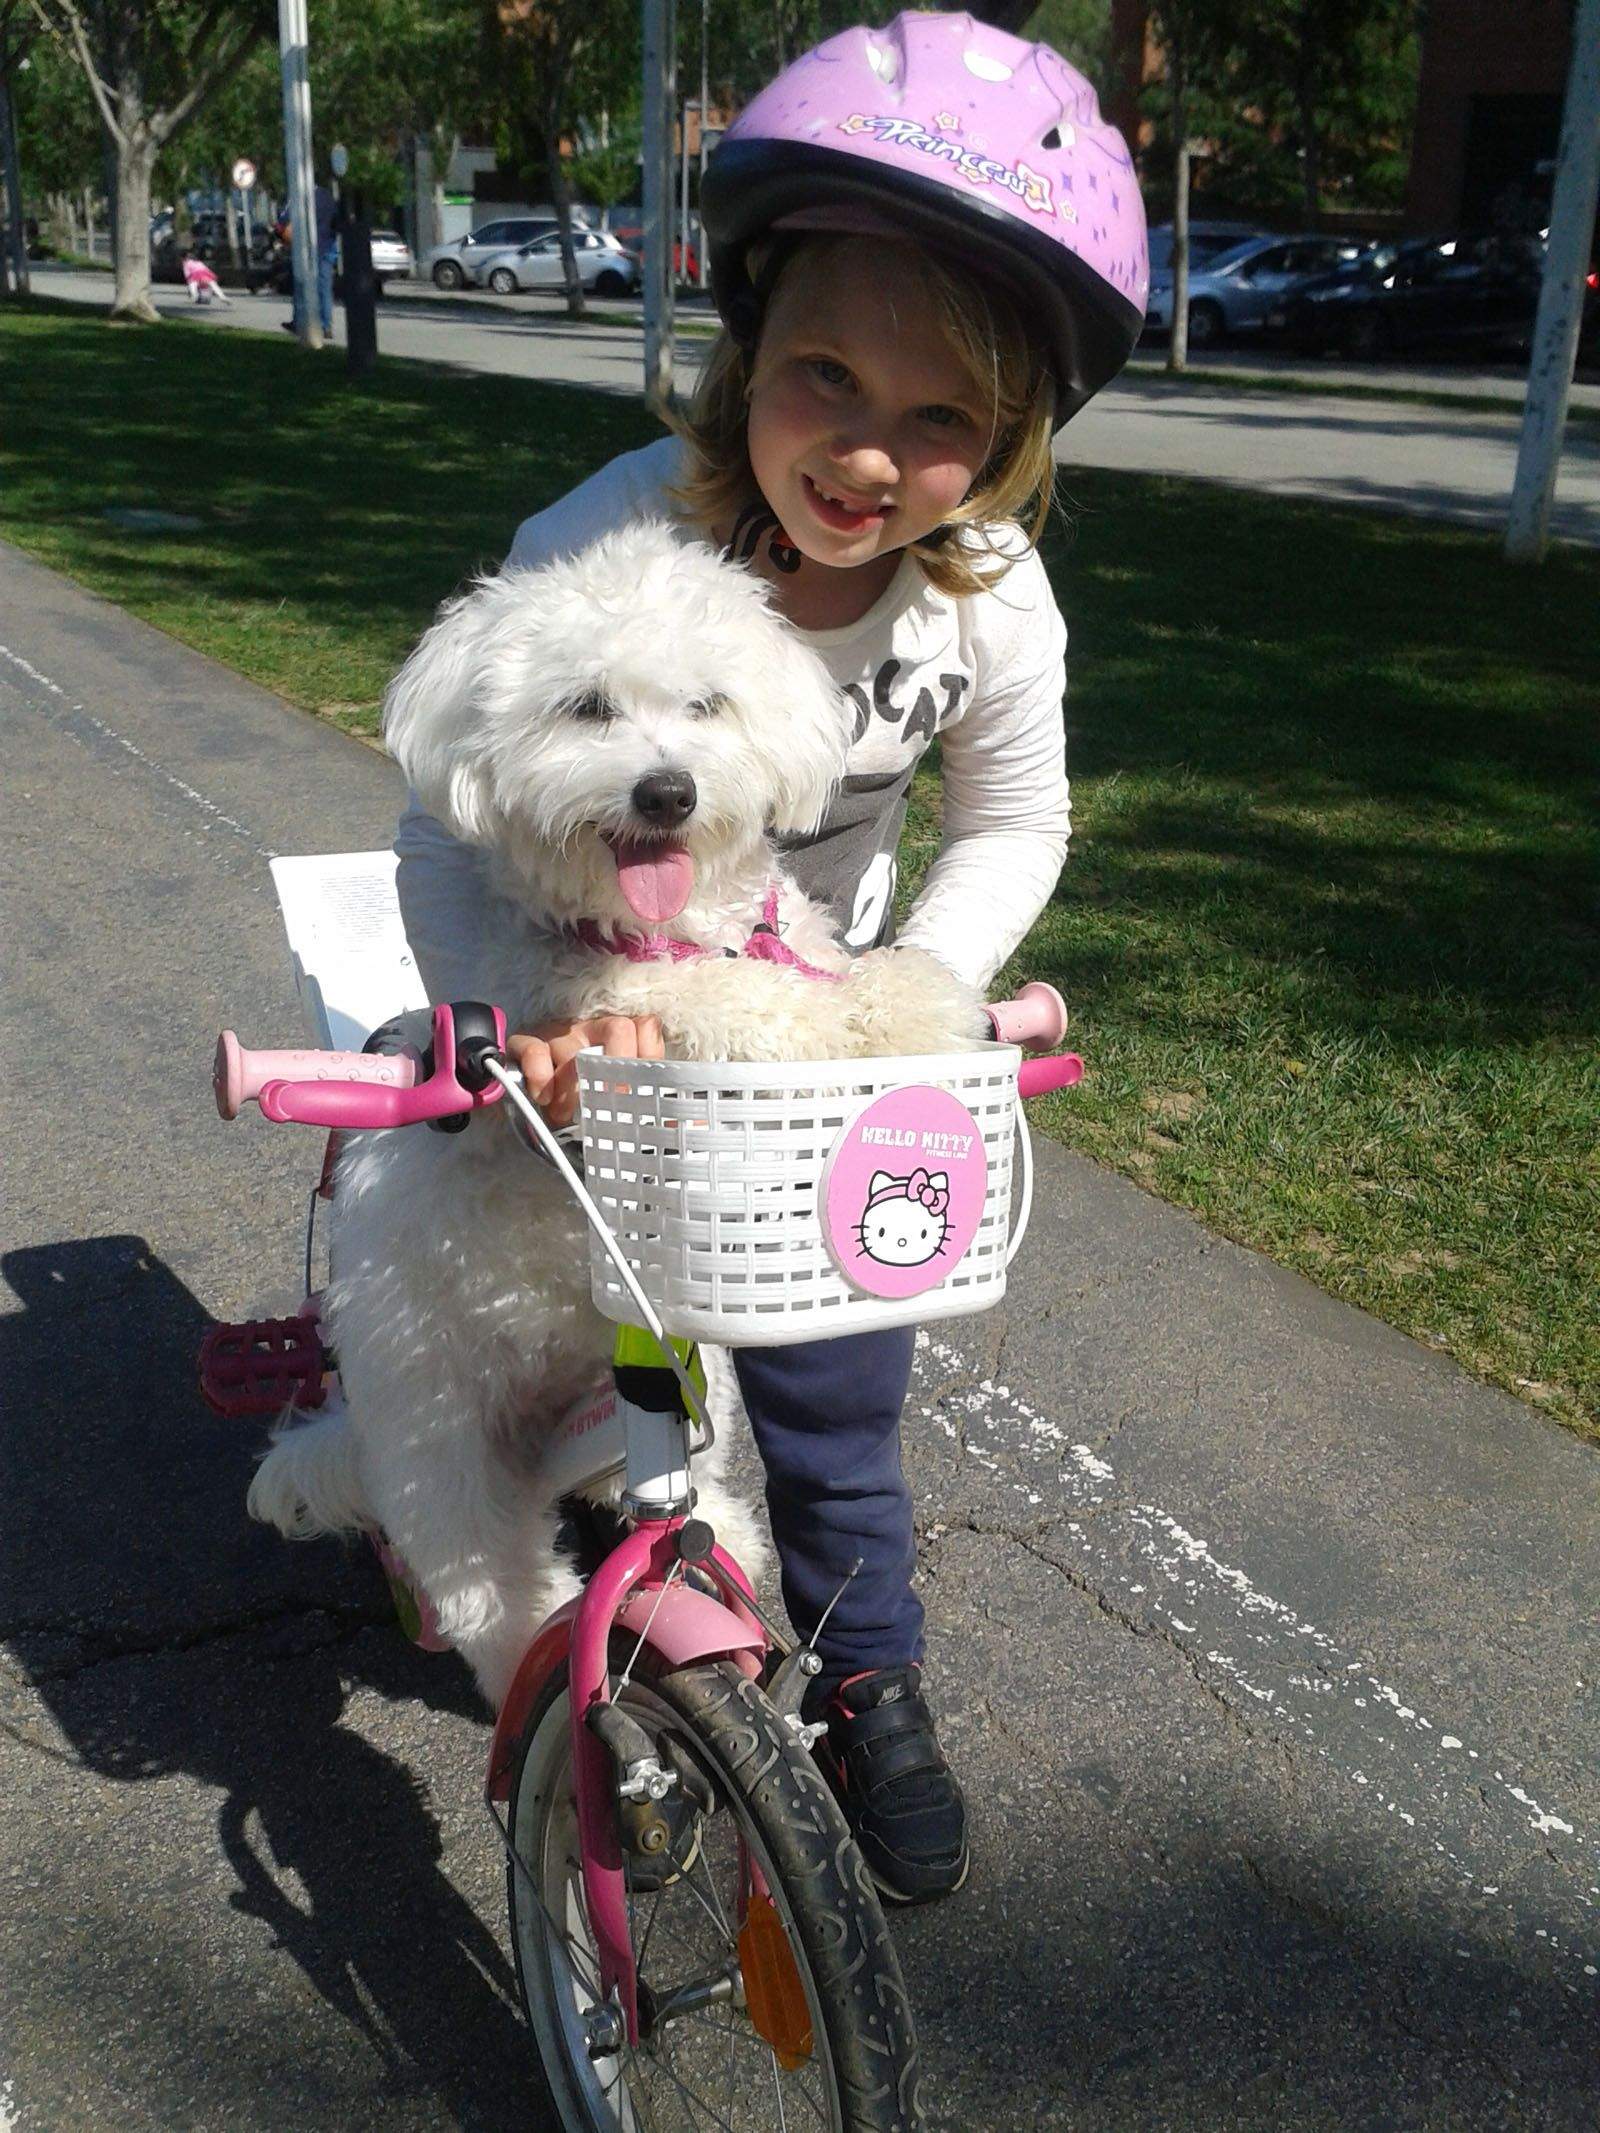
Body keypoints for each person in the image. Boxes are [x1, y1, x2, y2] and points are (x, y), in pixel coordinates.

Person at [392, 10, 1147, 1905]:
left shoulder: (993, 604)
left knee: (838, 1367)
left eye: (945, 420)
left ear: (1011, 445)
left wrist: (933, 989)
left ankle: (868, 1672)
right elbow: (444, 810)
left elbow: (1017, 820)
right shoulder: (607, 544)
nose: (871, 453)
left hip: (813, 1005)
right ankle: (507, 1535)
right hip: (565, 981)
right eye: (825, 376)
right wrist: (500, 1017)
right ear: (745, 354)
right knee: (521, 1292)